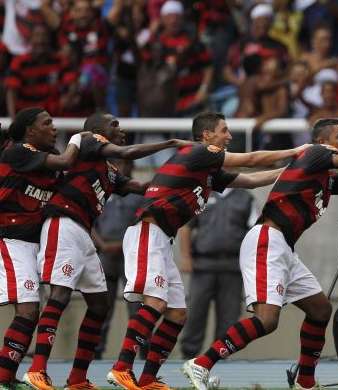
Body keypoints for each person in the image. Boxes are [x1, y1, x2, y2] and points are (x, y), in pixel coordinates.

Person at [182, 119, 338, 390]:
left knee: (320, 309)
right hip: (267, 240)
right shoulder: (316, 153)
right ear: (324, 141)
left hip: (284, 247)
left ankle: (304, 382)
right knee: (267, 321)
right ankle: (201, 363)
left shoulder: (323, 175)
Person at [108, 112, 308, 390]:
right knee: (156, 303)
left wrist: (293, 170)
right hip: (147, 233)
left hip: (162, 239)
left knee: (177, 314)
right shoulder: (198, 152)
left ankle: (148, 378)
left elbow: (249, 180)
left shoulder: (206, 170)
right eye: (224, 131)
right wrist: (297, 151)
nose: (229, 136)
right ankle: (121, 367)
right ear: (206, 136)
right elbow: (250, 160)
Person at [23, 113, 190, 390]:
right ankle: (37, 370)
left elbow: (140, 186)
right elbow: (129, 152)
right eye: (114, 125)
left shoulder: (107, 169)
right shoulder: (88, 141)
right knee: (60, 295)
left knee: (100, 305)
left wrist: (183, 179)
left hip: (83, 234)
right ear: (98, 131)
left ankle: (77, 378)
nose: (120, 129)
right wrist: (171, 143)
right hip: (63, 225)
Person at [0, 108, 83, 389]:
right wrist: (79, 139)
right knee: (28, 311)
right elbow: (67, 159)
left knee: (27, 312)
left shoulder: (49, 168)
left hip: (31, 244)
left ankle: (6, 375)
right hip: (9, 240)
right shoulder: (19, 151)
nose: (54, 128)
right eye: (47, 123)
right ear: (30, 131)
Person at [179, 188, 257, 359]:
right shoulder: (202, 195)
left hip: (233, 267)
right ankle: (188, 356)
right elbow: (186, 227)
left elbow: (254, 232)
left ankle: (219, 358)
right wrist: (185, 257)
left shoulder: (246, 198)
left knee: (229, 317)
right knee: (195, 314)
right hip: (203, 266)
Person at [91, 160, 146, 360]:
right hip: (104, 253)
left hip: (130, 255)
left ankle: (142, 354)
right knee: (101, 306)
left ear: (131, 167)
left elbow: (145, 223)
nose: (120, 168)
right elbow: (88, 222)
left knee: (137, 307)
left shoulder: (138, 193)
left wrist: (125, 244)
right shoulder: (100, 191)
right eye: (116, 165)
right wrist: (102, 245)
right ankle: (95, 354)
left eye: (124, 164)